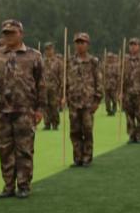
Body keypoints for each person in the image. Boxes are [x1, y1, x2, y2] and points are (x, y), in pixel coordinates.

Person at [0, 19, 44, 199]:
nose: (8, 36)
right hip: (1, 111)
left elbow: (41, 84)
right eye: (6, 33)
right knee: (4, 149)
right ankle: (9, 185)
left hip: (25, 110)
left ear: (21, 34)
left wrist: (40, 108)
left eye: (12, 33)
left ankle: (24, 185)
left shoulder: (34, 56)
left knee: (24, 149)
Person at [65, 32, 102, 166]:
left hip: (88, 103)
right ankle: (77, 157)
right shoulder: (70, 61)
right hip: (73, 102)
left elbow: (99, 81)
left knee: (87, 130)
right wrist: (64, 96)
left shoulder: (93, 62)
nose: (80, 45)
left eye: (82, 42)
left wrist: (97, 100)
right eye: (78, 43)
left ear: (87, 44)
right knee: (74, 131)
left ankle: (87, 156)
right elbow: (65, 80)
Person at [122, 38, 140, 143]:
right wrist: (119, 92)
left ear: (139, 47)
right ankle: (131, 135)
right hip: (128, 93)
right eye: (131, 45)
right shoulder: (124, 61)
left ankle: (139, 135)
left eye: (135, 45)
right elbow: (120, 77)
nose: (133, 47)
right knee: (129, 116)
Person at [41, 42, 64, 130]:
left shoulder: (58, 62)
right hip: (44, 87)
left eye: (50, 49)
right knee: (45, 106)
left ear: (53, 50)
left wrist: (61, 87)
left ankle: (55, 123)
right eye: (47, 49)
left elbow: (61, 75)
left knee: (54, 106)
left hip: (54, 88)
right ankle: (47, 123)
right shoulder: (42, 62)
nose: (49, 51)